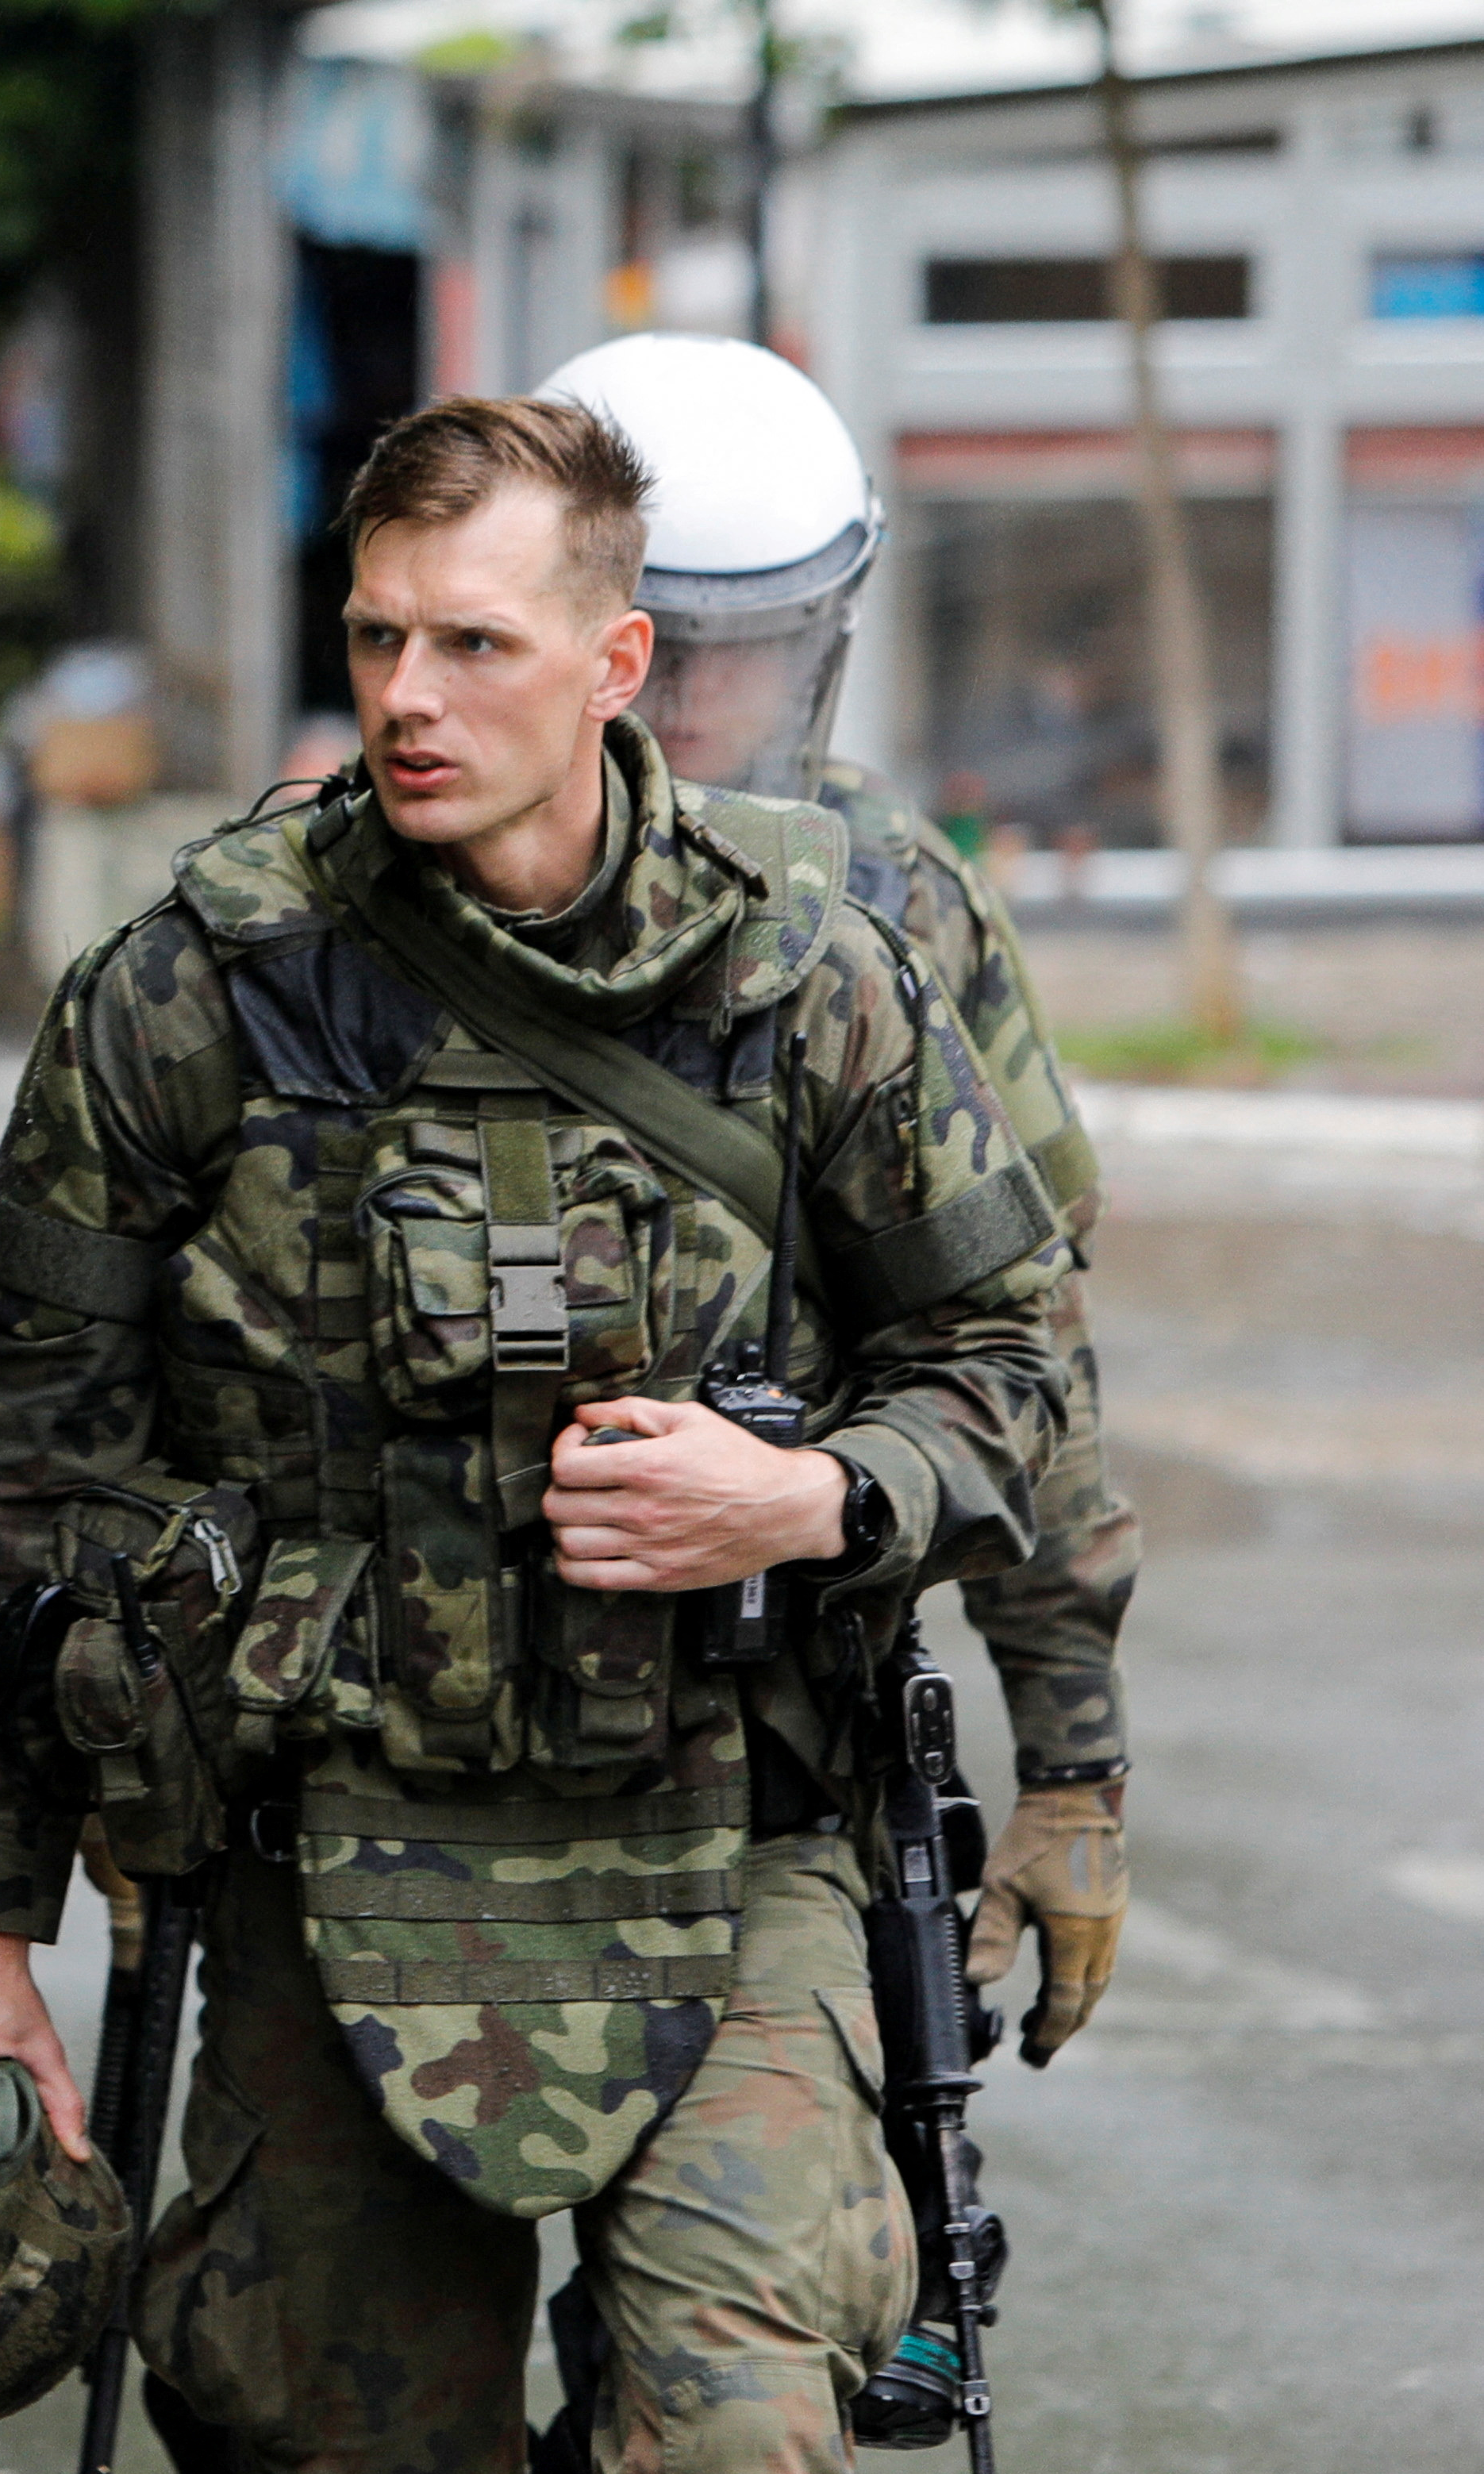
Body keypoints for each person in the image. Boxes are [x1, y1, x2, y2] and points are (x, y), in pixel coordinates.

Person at [0, 396, 1068, 2474]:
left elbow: (1017, 1369)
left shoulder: (813, 972)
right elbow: (27, 1457)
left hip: (728, 1835)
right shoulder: (200, 985)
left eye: (475, 644)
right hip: (328, 1855)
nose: (408, 695)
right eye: (375, 639)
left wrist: (820, 1493)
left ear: (620, 663)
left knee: (733, 2458)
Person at [536, 332, 1132, 2067]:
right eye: (669, 642)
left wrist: (1074, 1764)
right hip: (385, 1771)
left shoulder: (894, 910)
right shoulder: (349, 904)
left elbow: (1027, 1352)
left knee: (774, 2325)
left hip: (786, 1741)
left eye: (758, 649)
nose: (699, 700)